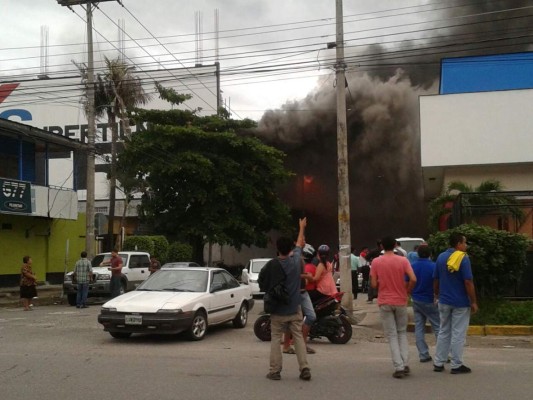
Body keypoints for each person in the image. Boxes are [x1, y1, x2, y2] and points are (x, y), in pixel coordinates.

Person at [258, 218, 311, 381]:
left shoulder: (273, 264)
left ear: (277, 249)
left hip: (277, 310)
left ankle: (275, 371)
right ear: (290, 249)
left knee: (276, 339)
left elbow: (264, 282)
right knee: (298, 339)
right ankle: (304, 368)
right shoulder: (295, 261)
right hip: (294, 308)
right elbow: (300, 244)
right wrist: (301, 227)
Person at [370, 236, 417, 379]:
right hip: (401, 300)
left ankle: (399, 367)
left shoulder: (376, 261)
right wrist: (407, 290)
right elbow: (413, 279)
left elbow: (373, 285)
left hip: (385, 301)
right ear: (396, 245)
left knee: (392, 335)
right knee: (402, 332)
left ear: (382, 246)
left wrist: (381, 284)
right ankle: (405, 362)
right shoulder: (403, 260)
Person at [433, 232, 478, 374]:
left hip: (444, 300)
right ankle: (456, 364)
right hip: (460, 302)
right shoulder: (463, 258)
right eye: (464, 243)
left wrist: (437, 294)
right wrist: (473, 301)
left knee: (443, 331)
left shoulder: (441, 257)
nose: (466, 246)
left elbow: (436, 279)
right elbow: (468, 281)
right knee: (458, 333)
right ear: (458, 244)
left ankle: (439, 362)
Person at [282, 243, 317, 355]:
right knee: (290, 320)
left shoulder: (300, 258)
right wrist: (306, 276)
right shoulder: (292, 256)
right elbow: (291, 274)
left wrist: (306, 275)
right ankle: (287, 346)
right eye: (303, 240)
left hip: (303, 291)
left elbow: (300, 273)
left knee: (311, 316)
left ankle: (302, 344)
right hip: (294, 292)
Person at [410, 245, 440, 363]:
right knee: (438, 327)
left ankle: (423, 354)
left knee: (419, 327)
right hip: (430, 299)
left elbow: (408, 281)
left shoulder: (412, 266)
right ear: (430, 254)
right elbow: (438, 282)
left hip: (416, 299)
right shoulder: (434, 266)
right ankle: (444, 353)